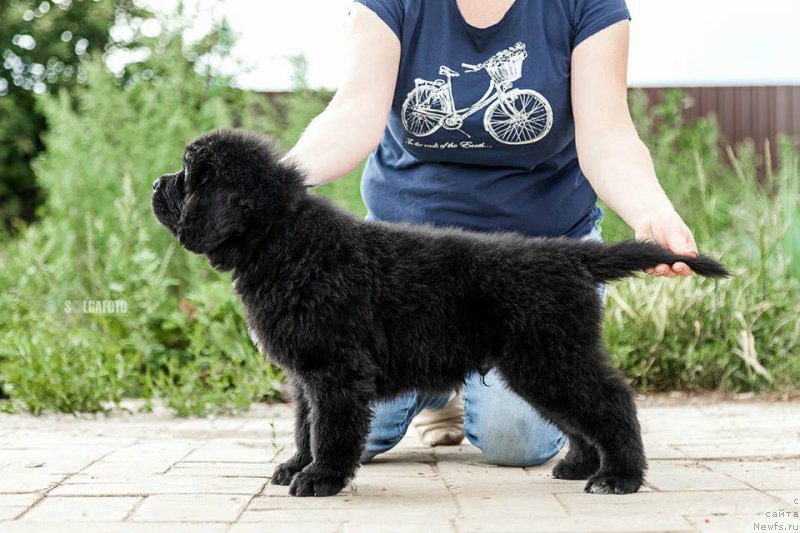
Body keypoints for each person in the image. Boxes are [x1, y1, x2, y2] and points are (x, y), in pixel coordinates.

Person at [283, 0, 699, 467]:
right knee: (349, 423)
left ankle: (456, 373)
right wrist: (274, 185)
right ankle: (439, 389)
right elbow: (353, 113)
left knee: (515, 441)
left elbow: (607, 134)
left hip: (533, 264)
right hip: (406, 269)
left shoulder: (587, 5)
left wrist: (652, 212)